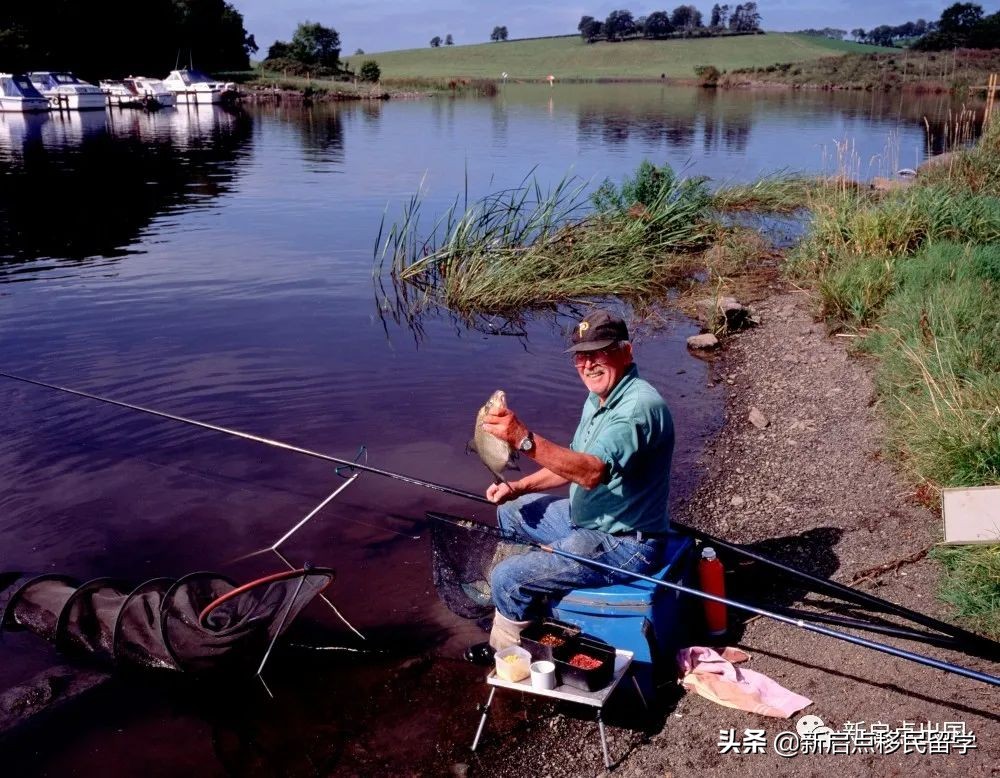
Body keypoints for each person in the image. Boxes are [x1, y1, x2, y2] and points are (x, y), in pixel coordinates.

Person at [478, 309, 675, 651]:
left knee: (506, 576)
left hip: (626, 543)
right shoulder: (600, 397)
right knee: (512, 511)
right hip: (586, 519)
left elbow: (589, 472)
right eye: (581, 357)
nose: (589, 364)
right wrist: (517, 487)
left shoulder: (636, 409)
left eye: (600, 352)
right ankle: (530, 601)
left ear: (626, 351)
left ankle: (509, 652)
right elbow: (570, 463)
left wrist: (524, 440)